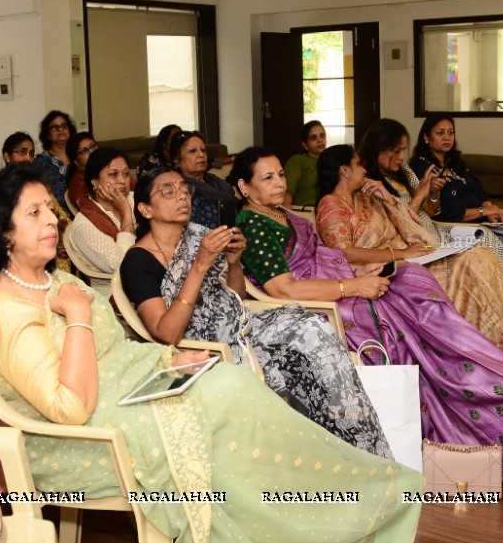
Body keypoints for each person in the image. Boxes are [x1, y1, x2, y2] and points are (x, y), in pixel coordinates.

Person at [0, 164, 421, 543]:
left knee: (226, 382)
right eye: (33, 213)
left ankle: (326, 520)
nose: (51, 222)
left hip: (121, 395)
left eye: (48, 209)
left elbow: (115, 350)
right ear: (2, 233)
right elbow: (70, 408)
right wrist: (79, 315)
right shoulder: (5, 312)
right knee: (221, 400)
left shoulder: (54, 279)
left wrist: (172, 358)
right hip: (80, 439)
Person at [231, 147, 503, 474]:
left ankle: (501, 392)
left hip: (334, 286)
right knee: (413, 322)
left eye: (280, 174)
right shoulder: (254, 226)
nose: (278, 183)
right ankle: (473, 421)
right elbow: (284, 289)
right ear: (245, 188)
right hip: (317, 308)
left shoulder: (281, 214)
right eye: (267, 177)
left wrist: (371, 268)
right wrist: (353, 287)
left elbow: (326, 258)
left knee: (412, 279)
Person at [119, 167, 391, 457]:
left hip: (242, 326)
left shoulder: (199, 238)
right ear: (145, 208)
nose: (182, 196)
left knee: (313, 328)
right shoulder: (138, 262)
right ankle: (331, 454)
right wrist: (200, 265)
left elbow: (234, 299)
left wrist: (235, 263)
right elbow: (167, 333)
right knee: (300, 353)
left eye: (184, 189)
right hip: (205, 348)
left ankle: (359, 450)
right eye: (168, 191)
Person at [359, 119, 503, 338]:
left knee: (485, 236)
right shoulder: (371, 183)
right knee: (478, 252)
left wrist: (432, 193)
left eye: (403, 150)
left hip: (433, 226)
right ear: (378, 148)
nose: (401, 157)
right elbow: (395, 223)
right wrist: (420, 195)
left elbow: (432, 209)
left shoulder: (404, 170)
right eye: (395, 151)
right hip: (414, 238)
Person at [410, 114, 503, 324]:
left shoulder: (455, 162)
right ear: (426, 137)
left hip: (480, 221)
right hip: (455, 226)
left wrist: (489, 207)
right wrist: (482, 212)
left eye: (451, 133)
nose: (447, 138)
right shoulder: (421, 168)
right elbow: (443, 212)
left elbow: (477, 190)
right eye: (440, 133)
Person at [3, 131, 74, 276]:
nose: (28, 158)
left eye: (31, 153)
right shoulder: (1, 188)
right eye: (22, 152)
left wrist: (62, 235)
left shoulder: (38, 184)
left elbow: (58, 213)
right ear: (7, 156)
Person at [67, 148, 135, 298]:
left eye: (125, 174)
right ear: (95, 182)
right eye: (113, 174)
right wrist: (126, 213)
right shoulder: (84, 224)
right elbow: (119, 265)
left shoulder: (134, 199)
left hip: (147, 278)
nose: (122, 181)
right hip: (116, 296)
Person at [170, 130, 234, 231]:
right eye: (192, 151)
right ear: (176, 160)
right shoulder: (177, 190)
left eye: (203, 150)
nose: (201, 155)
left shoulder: (218, 183)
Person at [33, 110, 76, 210]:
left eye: (64, 126)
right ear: (48, 135)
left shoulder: (78, 156)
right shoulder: (41, 162)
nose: (61, 130)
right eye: (55, 128)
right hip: (56, 214)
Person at [284, 120, 327, 207]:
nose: (320, 140)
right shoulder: (297, 161)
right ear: (305, 144)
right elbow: (287, 193)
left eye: (322, 136)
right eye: (314, 138)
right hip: (303, 213)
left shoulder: (332, 160)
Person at [63, 131, 99, 211]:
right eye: (85, 151)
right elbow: (93, 213)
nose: (92, 152)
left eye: (93, 146)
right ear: (77, 162)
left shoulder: (107, 168)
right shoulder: (78, 184)